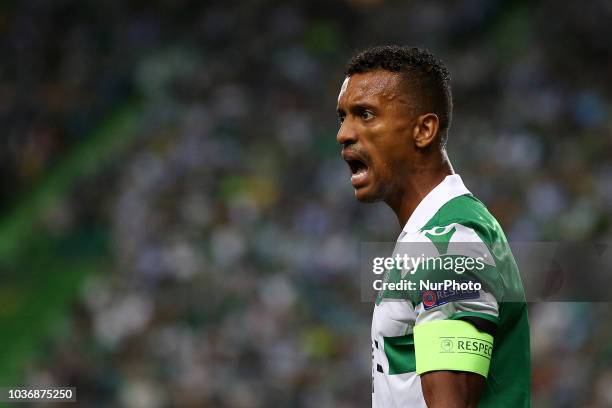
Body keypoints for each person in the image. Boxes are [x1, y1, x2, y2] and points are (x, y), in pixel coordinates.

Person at [336, 45, 530, 407]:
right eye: (342, 117)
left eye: (364, 114)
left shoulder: (449, 242)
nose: (344, 134)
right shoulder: (431, 236)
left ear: (423, 130)